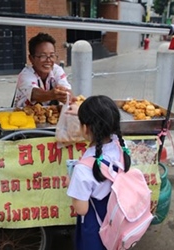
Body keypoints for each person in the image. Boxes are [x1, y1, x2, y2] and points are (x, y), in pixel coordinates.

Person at [66, 95, 131, 250]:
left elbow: (81, 209)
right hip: (117, 216)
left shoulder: (82, 170)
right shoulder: (121, 145)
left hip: (96, 226)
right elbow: (104, 113)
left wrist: (71, 185)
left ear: (85, 128)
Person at [12, 32, 75, 107]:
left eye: (52, 55)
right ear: (31, 58)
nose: (48, 60)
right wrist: (53, 94)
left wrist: (66, 94)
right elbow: (35, 93)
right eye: (43, 56)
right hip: (22, 116)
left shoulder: (57, 70)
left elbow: (66, 89)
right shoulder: (25, 75)